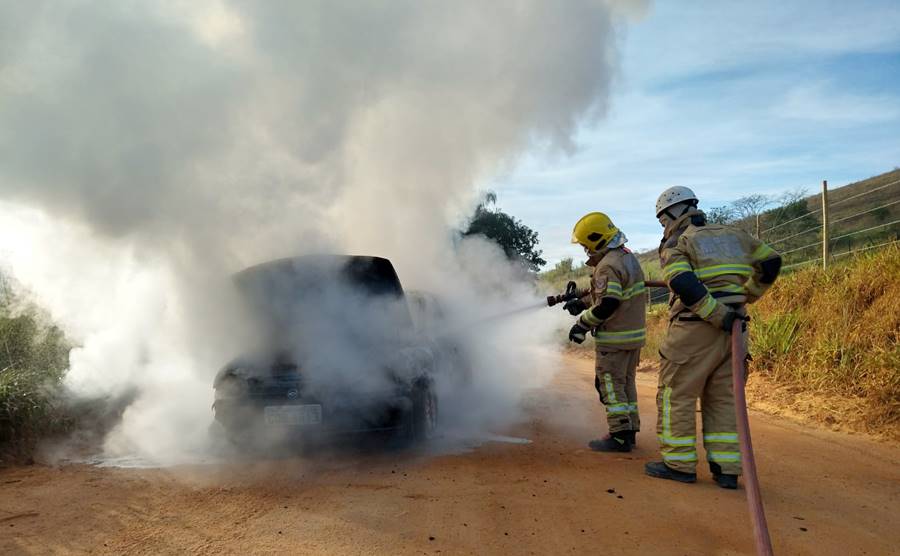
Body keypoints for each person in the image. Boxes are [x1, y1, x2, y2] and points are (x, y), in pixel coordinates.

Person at [646, 186, 782, 488]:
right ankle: (727, 470)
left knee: (675, 394)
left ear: (673, 212)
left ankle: (678, 465)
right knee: (724, 398)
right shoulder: (735, 235)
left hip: (695, 329)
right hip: (735, 331)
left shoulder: (679, 243)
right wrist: (746, 296)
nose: (663, 226)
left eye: (662, 220)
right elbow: (772, 261)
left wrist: (716, 313)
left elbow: (682, 282)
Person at [566, 212, 646, 452]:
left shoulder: (607, 265)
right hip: (633, 337)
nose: (585, 250)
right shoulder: (626, 257)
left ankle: (619, 435)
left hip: (615, 339)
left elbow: (609, 302)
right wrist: (582, 303)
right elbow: (611, 294)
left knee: (609, 384)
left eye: (585, 245)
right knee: (625, 385)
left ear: (596, 239)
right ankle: (629, 431)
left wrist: (582, 324)